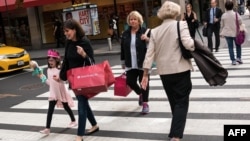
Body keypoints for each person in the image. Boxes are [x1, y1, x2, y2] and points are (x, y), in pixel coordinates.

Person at [141, 1, 195, 141]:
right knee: (182, 101)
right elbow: (188, 44)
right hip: (180, 69)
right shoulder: (181, 24)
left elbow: (149, 54)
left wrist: (145, 74)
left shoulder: (155, 31)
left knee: (174, 101)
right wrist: (197, 45)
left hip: (164, 72)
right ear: (176, 12)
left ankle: (176, 127)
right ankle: (176, 135)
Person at [61, 19, 99, 141]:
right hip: (73, 79)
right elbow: (66, 60)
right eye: (64, 31)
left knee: (81, 104)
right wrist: (62, 76)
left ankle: (80, 135)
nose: (66, 34)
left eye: (67, 31)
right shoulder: (68, 43)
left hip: (83, 79)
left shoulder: (85, 42)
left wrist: (84, 55)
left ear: (74, 30)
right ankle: (94, 125)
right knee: (83, 103)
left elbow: (92, 63)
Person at [39, 49, 77, 135]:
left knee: (66, 107)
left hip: (61, 92)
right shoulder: (48, 70)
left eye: (52, 60)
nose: (50, 62)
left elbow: (64, 81)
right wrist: (42, 77)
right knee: (50, 110)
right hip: (53, 93)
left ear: (57, 60)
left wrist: (59, 80)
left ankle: (74, 120)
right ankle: (47, 128)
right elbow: (50, 83)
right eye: (49, 60)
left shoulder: (60, 70)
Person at [120, 11, 151, 114]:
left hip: (143, 62)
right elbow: (122, 48)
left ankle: (145, 103)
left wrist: (147, 39)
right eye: (131, 19)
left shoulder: (145, 31)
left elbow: (154, 44)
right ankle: (140, 94)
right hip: (130, 62)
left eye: (135, 19)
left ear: (139, 21)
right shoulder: (125, 33)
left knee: (144, 83)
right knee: (130, 81)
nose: (132, 21)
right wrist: (123, 61)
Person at [220, 0, 243, 65]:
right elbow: (240, 22)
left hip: (227, 33)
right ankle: (239, 58)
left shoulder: (223, 15)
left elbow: (222, 25)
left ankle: (233, 60)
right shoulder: (236, 14)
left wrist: (221, 33)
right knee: (238, 46)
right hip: (236, 33)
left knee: (230, 47)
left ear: (225, 7)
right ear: (232, 6)